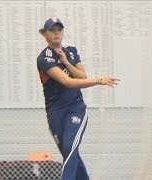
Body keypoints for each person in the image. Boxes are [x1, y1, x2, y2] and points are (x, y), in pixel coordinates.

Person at [37, 17, 119, 180]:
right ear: (45, 34)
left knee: (70, 147)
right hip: (55, 112)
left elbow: (82, 76)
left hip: (75, 108)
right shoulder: (44, 58)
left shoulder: (71, 50)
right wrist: (99, 80)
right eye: (52, 30)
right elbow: (67, 82)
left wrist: (66, 62)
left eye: (59, 30)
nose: (56, 33)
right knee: (69, 152)